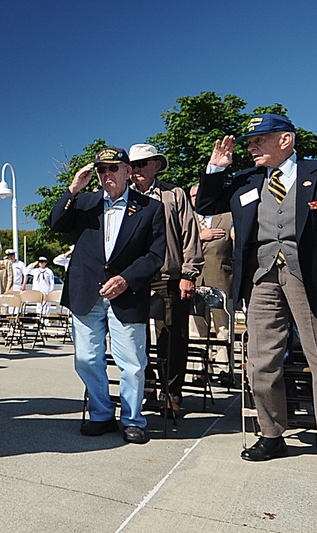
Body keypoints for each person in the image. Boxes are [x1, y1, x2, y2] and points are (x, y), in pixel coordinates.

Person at [196, 113, 317, 476]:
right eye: (250, 142)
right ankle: (272, 434)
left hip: (314, 279)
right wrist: (215, 168)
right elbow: (206, 206)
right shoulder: (246, 180)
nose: (251, 147)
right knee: (260, 361)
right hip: (262, 279)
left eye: (259, 140)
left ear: (285, 140)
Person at [49, 147, 165, 445]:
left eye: (113, 168)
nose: (106, 175)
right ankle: (101, 413)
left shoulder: (149, 208)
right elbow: (55, 224)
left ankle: (132, 419)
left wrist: (126, 279)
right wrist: (73, 188)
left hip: (126, 295)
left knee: (132, 363)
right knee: (86, 358)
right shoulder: (84, 203)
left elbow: (155, 255)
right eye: (102, 170)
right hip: (87, 292)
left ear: (128, 171)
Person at [128, 144, 204, 414]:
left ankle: (172, 393)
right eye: (132, 165)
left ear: (156, 165)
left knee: (171, 336)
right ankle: (144, 391)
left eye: (142, 164)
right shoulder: (122, 197)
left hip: (168, 275)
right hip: (133, 278)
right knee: (134, 338)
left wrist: (188, 273)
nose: (136, 170)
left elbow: (189, 235)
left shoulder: (174, 195)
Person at [188, 184, 235, 382]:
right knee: (196, 326)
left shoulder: (228, 216)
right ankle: (200, 368)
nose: (196, 198)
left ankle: (224, 369)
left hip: (221, 279)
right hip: (194, 280)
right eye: (192, 196)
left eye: (200, 194)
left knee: (224, 327)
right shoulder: (187, 220)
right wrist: (200, 237)